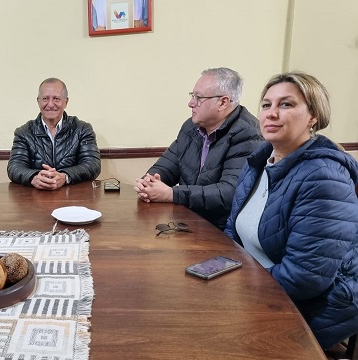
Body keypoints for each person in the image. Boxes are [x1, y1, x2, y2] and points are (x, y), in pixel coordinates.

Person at [224, 72, 358, 350]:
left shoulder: (324, 176)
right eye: (266, 104)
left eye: (286, 104)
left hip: (324, 302)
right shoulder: (260, 162)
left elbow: (305, 277)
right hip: (265, 286)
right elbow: (232, 229)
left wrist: (239, 290)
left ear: (313, 117)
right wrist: (224, 270)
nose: (271, 113)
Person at [134, 67, 263, 229]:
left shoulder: (249, 134)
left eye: (199, 98)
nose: (191, 103)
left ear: (223, 102)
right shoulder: (191, 127)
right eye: (192, 96)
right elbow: (166, 166)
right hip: (189, 222)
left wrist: (172, 194)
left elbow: (229, 193)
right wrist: (149, 182)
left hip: (223, 230)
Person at [7, 78, 101, 190]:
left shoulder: (82, 129)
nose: (50, 104)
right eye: (45, 99)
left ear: (66, 101)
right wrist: (34, 177)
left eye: (56, 99)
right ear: (38, 101)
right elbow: (14, 167)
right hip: (34, 199)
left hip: (73, 198)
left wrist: (65, 176)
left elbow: (92, 165)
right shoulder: (24, 132)